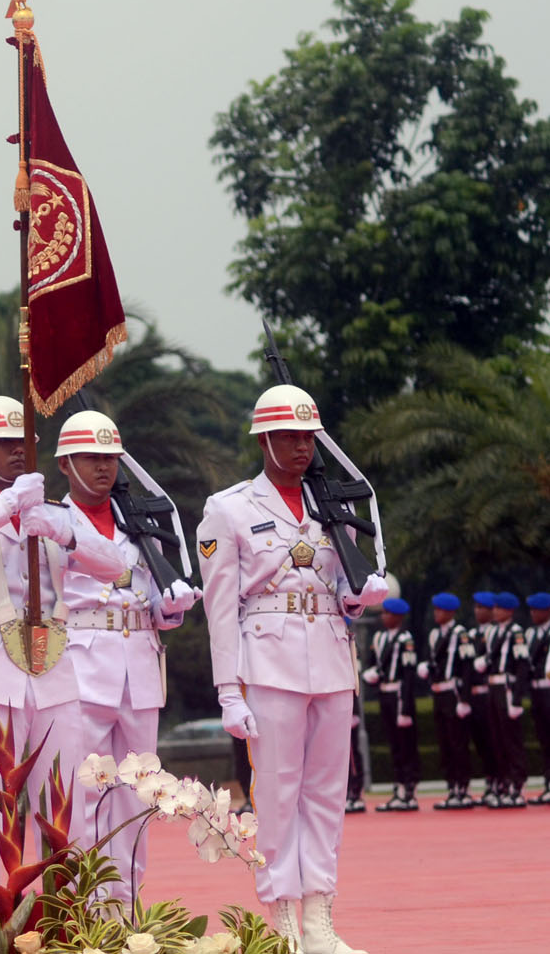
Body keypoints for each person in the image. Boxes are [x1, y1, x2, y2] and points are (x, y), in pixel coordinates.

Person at [197, 384, 387, 954]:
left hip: (330, 654)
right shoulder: (228, 508)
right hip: (269, 659)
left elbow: (343, 586)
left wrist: (359, 596)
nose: (301, 447)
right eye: (288, 437)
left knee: (329, 793)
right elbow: (220, 606)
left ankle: (318, 918)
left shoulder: (336, 506)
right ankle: (281, 916)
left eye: (308, 437)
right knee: (277, 795)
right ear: (264, 439)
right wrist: (229, 689)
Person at [0, 396, 123, 883]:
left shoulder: (55, 511)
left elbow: (116, 565)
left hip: (55, 668)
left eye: (24, 443)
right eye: (3, 444)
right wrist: (10, 504)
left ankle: (66, 922)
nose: (17, 452)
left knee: (64, 809)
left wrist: (65, 531)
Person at [53, 411, 197, 903]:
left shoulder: (138, 520)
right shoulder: (55, 520)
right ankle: (87, 910)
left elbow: (153, 602)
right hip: (82, 663)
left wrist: (171, 608)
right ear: (66, 465)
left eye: (110, 458)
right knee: (87, 796)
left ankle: (130, 911)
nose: (103, 468)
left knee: (140, 794)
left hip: (138, 663)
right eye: (92, 458)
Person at [361, 597, 419, 811]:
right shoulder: (379, 637)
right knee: (394, 745)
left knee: (406, 745)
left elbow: (409, 675)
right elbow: (374, 663)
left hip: (399, 696)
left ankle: (409, 790)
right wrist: (372, 674)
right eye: (383, 613)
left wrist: (405, 708)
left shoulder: (406, 639)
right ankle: (399, 788)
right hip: (385, 694)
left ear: (398, 617)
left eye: (387, 613)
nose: (383, 617)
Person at [420, 593, 475, 809]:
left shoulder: (460, 634)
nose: (436, 614)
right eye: (435, 610)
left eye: (440, 610)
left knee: (458, 742)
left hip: (454, 692)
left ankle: (463, 787)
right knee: (444, 742)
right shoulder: (435, 634)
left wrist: (465, 700)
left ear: (450, 613)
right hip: (439, 692)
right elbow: (436, 661)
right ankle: (452, 785)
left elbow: (467, 668)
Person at [478, 592, 529, 808]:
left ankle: (516, 785)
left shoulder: (516, 633)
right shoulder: (490, 631)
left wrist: (516, 700)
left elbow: (522, 666)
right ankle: (504, 783)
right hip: (493, 685)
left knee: (511, 740)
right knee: (496, 738)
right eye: (495, 608)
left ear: (509, 611)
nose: (495, 611)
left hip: (507, 687)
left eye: (499, 608)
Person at [462, 591, 500, 805]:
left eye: (481, 608)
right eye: (475, 607)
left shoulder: (497, 633)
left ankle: (500, 782)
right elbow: (467, 668)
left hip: (490, 693)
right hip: (476, 696)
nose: (477, 611)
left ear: (491, 611)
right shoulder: (472, 635)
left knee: (495, 740)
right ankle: (490, 780)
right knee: (480, 741)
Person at [523, 592, 550, 804]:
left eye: (536, 610)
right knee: (543, 738)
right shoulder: (530, 634)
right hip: (537, 692)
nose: (532, 613)